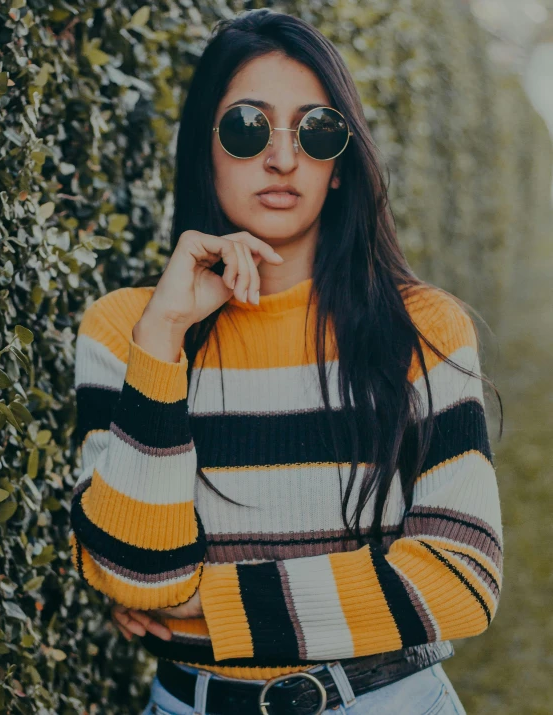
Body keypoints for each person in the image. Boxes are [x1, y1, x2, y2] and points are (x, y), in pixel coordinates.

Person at [69, 9, 504, 715]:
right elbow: (139, 574)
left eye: (316, 130)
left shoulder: (422, 329)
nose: (281, 157)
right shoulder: (129, 329)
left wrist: (203, 607)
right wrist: (166, 335)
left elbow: (460, 579)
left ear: (340, 165)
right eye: (246, 127)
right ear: (203, 148)